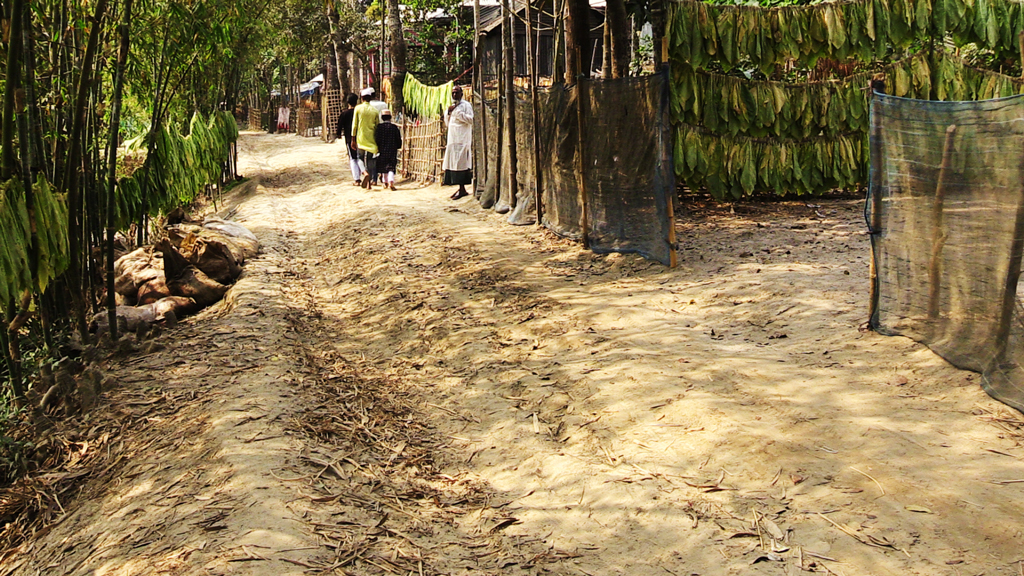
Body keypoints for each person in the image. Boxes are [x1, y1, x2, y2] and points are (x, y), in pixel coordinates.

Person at [442, 85, 474, 200]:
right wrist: (449, 113)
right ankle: (460, 188)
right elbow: (447, 123)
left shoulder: (466, 105)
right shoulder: (451, 107)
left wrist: (458, 113)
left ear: (462, 94)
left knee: (462, 164)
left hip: (462, 140)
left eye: (457, 93)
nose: (455, 95)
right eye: (453, 93)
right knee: (453, 163)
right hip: (452, 140)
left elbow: (471, 119)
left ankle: (462, 189)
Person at [351, 88, 380, 189]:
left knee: (359, 158)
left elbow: (354, 125)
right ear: (370, 98)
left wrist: (353, 139)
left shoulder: (358, 109)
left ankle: (364, 172)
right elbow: (377, 126)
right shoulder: (375, 111)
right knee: (370, 161)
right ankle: (369, 183)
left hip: (361, 138)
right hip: (371, 139)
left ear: (362, 98)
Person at [375, 109, 402, 191]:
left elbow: (377, 139)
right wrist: (398, 146)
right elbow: (398, 139)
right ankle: (391, 182)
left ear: (382, 118)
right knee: (391, 166)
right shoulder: (394, 128)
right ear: (390, 117)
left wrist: (378, 147)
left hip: (382, 149)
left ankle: (385, 182)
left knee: (383, 166)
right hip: (392, 149)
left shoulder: (379, 127)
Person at [337, 93, 360, 186]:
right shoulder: (358, 112)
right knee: (361, 157)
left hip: (349, 138)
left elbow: (339, 126)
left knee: (353, 158)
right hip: (361, 137)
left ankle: (357, 179)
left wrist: (338, 134)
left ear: (348, 102)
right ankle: (367, 175)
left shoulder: (344, 113)